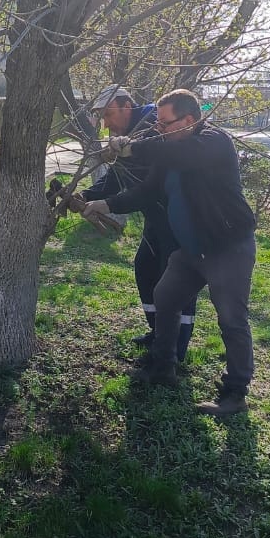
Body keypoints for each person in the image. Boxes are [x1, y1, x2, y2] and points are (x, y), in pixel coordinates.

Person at [83, 88, 257, 418]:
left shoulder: (212, 142)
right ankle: (164, 367)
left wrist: (129, 148)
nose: (157, 129)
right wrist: (106, 203)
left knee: (232, 320)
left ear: (188, 120)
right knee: (165, 296)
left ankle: (235, 394)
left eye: (164, 123)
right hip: (192, 250)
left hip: (227, 247)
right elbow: (148, 191)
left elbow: (173, 155)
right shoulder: (173, 147)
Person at [79, 86, 197, 362]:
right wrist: (86, 195)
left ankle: (176, 349)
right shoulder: (128, 135)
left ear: (126, 106)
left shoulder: (153, 127)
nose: (106, 123)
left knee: (178, 283)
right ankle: (157, 333)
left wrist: (108, 203)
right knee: (146, 270)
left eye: (109, 114)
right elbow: (116, 176)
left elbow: (148, 184)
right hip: (155, 218)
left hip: (177, 219)